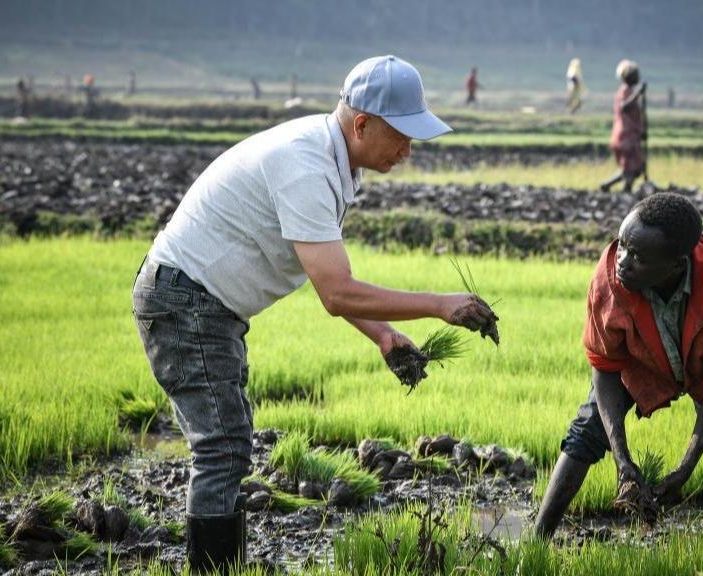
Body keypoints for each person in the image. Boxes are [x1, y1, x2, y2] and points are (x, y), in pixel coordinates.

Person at [132, 55, 499, 572]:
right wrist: (439, 306)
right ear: (363, 124)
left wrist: (383, 335)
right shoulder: (305, 164)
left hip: (204, 304)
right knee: (222, 448)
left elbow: (317, 270)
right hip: (187, 300)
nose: (408, 151)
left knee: (227, 444)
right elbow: (336, 291)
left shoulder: (333, 160)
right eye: (401, 135)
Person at [534, 192, 703, 540]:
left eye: (638, 256)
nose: (622, 261)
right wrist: (622, 459)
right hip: (643, 357)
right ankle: (537, 539)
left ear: (676, 265)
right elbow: (606, 366)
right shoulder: (609, 280)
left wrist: (686, 468)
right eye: (623, 245)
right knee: (587, 428)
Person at [600, 60, 646, 193]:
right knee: (630, 169)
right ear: (629, 77)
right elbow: (624, 107)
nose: (638, 77)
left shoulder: (629, 91)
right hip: (625, 136)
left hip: (630, 135)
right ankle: (623, 190)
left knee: (633, 169)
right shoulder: (625, 91)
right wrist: (638, 93)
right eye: (636, 75)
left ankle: (611, 186)